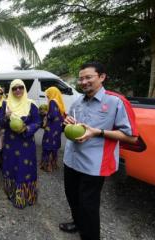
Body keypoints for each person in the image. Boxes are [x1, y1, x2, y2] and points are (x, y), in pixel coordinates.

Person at [59, 62, 138, 240]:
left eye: (88, 77)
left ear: (101, 77)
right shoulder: (78, 100)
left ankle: (90, 236)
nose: (84, 81)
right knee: (72, 197)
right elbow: (69, 122)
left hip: (94, 164)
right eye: (81, 78)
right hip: (71, 160)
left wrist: (98, 132)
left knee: (89, 205)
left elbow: (132, 137)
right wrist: (67, 123)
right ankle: (77, 223)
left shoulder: (115, 101)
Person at [2, 79, 41, 208]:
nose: (17, 90)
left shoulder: (31, 104)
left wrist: (27, 128)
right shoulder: (5, 105)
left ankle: (25, 194)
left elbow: (37, 121)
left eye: (20, 87)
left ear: (24, 89)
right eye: (14, 88)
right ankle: (13, 192)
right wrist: (5, 118)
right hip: (10, 143)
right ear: (11, 90)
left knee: (25, 168)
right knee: (11, 165)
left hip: (26, 143)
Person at [40, 86, 66, 172]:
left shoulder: (52, 101)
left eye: (48, 94)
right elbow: (61, 116)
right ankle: (53, 163)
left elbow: (53, 115)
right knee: (54, 144)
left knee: (48, 145)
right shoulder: (59, 101)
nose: (47, 96)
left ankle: (47, 165)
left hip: (51, 128)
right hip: (57, 128)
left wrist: (46, 114)